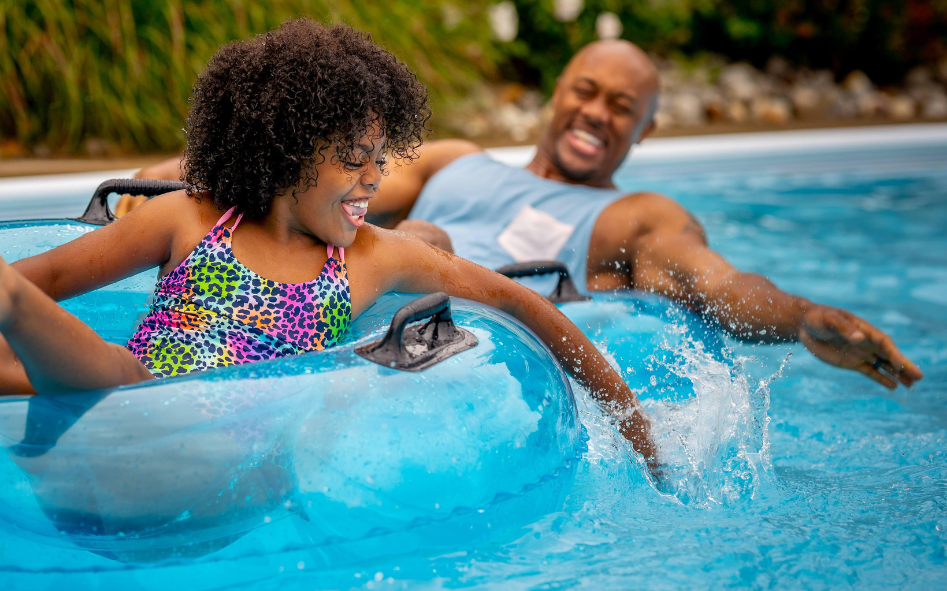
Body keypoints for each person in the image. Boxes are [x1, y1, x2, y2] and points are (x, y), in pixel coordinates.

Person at [0, 20, 659, 469]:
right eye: (350, 164)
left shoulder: (375, 258)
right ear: (280, 152)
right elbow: (51, 272)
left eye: (377, 163)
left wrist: (630, 417)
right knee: (6, 364)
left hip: (225, 443)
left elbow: (518, 300)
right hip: (125, 398)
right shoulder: (189, 217)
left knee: (95, 366)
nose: (370, 183)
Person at [113, 39, 922, 390]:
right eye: (586, 91)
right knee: (409, 234)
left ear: (646, 131)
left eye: (623, 107)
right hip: (341, 301)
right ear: (557, 92)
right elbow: (300, 171)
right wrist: (160, 183)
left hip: (455, 322)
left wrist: (802, 316)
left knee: (416, 239)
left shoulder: (637, 216)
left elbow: (718, 284)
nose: (596, 113)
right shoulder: (454, 158)